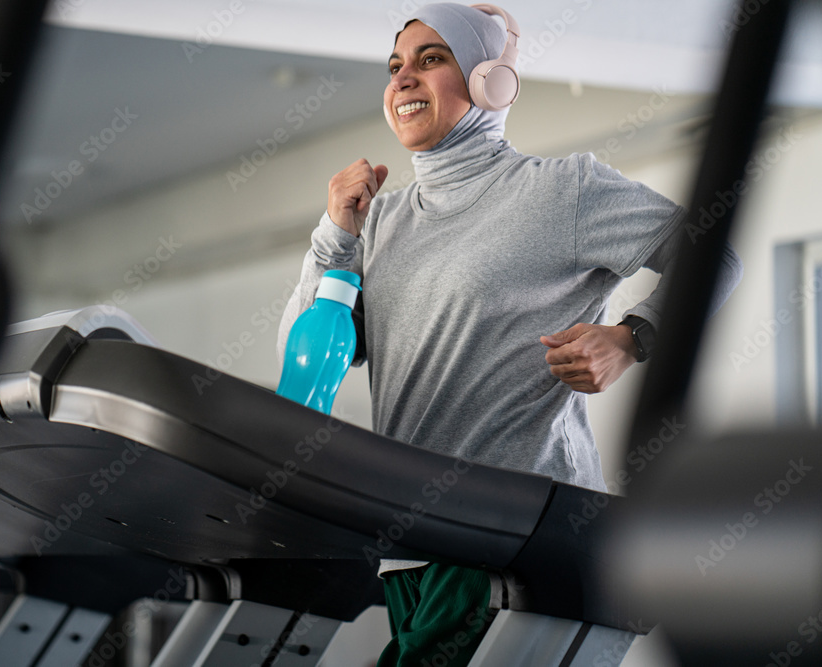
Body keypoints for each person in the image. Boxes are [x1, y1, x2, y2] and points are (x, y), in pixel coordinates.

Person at [276, 3, 742, 665]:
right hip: (409, 547)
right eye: (394, 67)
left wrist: (631, 336)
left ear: (490, 81)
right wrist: (335, 235)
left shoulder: (560, 191)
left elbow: (715, 254)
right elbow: (307, 360)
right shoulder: (380, 220)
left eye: (431, 59)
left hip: (514, 535)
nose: (403, 79)